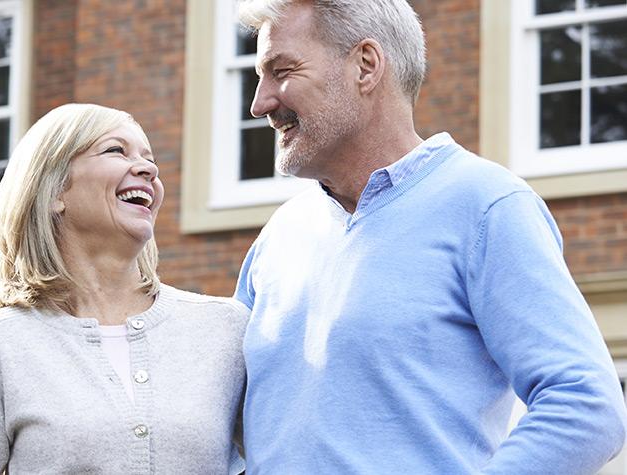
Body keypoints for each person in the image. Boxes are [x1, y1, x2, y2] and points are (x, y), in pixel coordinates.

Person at [233, 0, 627, 473]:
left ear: (366, 65)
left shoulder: (485, 205)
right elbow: (228, 426)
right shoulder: (278, 238)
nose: (260, 104)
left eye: (282, 71)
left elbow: (586, 402)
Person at [0, 103, 249, 473]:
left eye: (149, 159)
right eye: (116, 150)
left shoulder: (226, 327)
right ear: (54, 192)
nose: (148, 168)